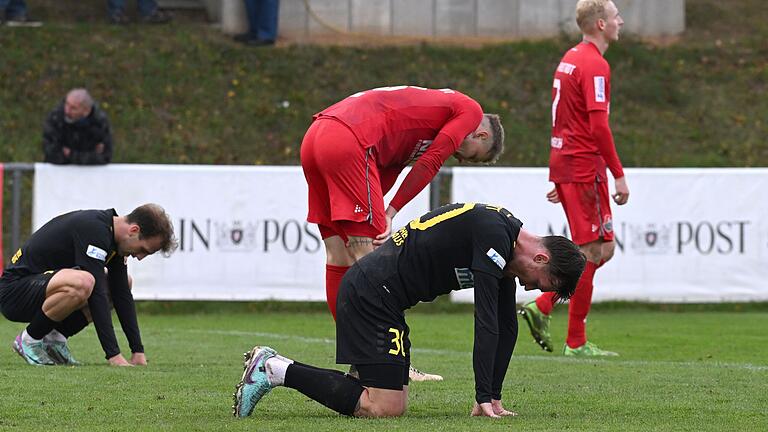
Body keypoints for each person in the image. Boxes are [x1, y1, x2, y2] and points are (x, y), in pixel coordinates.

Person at [232, 202, 586, 419]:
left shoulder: (504, 240)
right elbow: (486, 321)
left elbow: (506, 326)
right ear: (541, 258)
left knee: (381, 397)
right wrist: (481, 396)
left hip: (383, 298)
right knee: (384, 407)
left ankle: (277, 368)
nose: (530, 289)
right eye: (541, 283)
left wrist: (492, 396)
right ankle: (273, 368)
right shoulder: (495, 232)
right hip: (372, 293)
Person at [300, 85, 505, 381]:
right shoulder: (469, 111)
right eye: (472, 157)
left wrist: (380, 207)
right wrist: (390, 211)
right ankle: (383, 361)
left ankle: (361, 359)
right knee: (371, 261)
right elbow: (431, 161)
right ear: (481, 135)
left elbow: (390, 165)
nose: (460, 160)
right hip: (350, 140)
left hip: (318, 136)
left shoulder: (423, 126)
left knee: (340, 255)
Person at [519, 0, 629, 357]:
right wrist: (618, 175)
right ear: (600, 23)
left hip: (567, 162)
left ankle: (549, 310)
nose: (620, 21)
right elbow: (598, 125)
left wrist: (561, 170)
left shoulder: (570, 58)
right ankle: (569, 334)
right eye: (615, 17)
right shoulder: (595, 64)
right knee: (594, 249)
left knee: (599, 249)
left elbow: (565, 117)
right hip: (584, 166)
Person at [0, 204, 177, 366]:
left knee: (122, 283)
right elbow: (97, 295)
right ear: (133, 230)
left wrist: (137, 351)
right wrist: (113, 355)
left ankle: (55, 340)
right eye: (143, 250)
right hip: (13, 292)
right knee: (85, 282)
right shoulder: (94, 230)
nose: (139, 257)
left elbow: (121, 295)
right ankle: (28, 339)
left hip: (40, 289)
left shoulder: (114, 240)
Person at [43, 89, 114, 166]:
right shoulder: (56, 118)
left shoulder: (99, 123)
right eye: (66, 104)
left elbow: (104, 157)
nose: (67, 111)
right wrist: (87, 155)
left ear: (86, 111)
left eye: (73, 108)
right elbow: (52, 153)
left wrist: (70, 154)